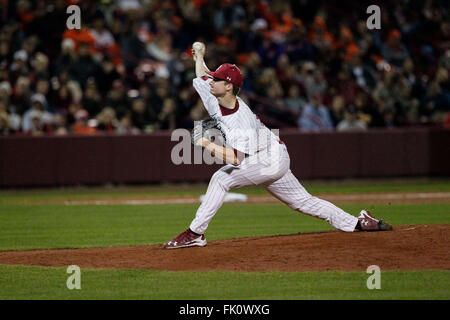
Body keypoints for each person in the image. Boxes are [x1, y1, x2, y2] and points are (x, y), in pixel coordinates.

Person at [163, 43, 392, 249]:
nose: (211, 81)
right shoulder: (214, 93)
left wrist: (204, 142)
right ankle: (358, 222)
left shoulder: (239, 119)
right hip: (271, 153)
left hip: (268, 159)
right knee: (303, 201)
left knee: (221, 179)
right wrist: (199, 56)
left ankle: (195, 233)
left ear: (229, 87)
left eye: (217, 79)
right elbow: (202, 74)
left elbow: (235, 159)